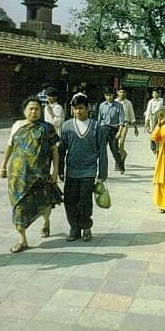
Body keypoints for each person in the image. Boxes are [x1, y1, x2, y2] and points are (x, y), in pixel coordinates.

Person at [0, 96, 60, 252]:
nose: (34, 111)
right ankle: (23, 240)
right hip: (18, 176)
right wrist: (3, 166)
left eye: (37, 109)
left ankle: (46, 222)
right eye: (31, 108)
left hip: (40, 175)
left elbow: (54, 151)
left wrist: (55, 172)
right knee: (18, 207)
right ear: (25, 111)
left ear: (41, 111)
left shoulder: (48, 128)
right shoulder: (18, 126)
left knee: (44, 203)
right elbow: (10, 146)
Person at [59, 94, 108, 242]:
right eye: (75, 109)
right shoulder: (66, 126)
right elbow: (61, 150)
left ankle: (86, 227)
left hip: (89, 171)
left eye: (81, 108)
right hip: (72, 171)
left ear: (88, 108)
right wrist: (60, 170)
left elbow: (102, 152)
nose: (78, 111)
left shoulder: (96, 127)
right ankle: (74, 228)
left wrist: (102, 174)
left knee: (85, 201)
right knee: (70, 200)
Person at [98, 87, 125, 174]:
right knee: (101, 150)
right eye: (107, 95)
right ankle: (99, 169)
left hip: (114, 130)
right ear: (104, 96)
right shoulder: (102, 106)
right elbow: (99, 119)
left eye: (110, 95)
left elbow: (121, 121)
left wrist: (119, 132)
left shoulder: (119, 106)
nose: (109, 97)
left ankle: (121, 166)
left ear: (113, 95)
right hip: (104, 129)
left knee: (114, 150)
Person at [116, 87, 139, 166]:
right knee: (115, 144)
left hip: (125, 124)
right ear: (117, 93)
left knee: (121, 143)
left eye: (123, 92)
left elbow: (132, 115)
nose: (122, 94)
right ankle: (121, 157)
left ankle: (120, 158)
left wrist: (135, 128)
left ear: (125, 93)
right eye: (120, 92)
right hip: (115, 125)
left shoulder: (128, 103)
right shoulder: (114, 102)